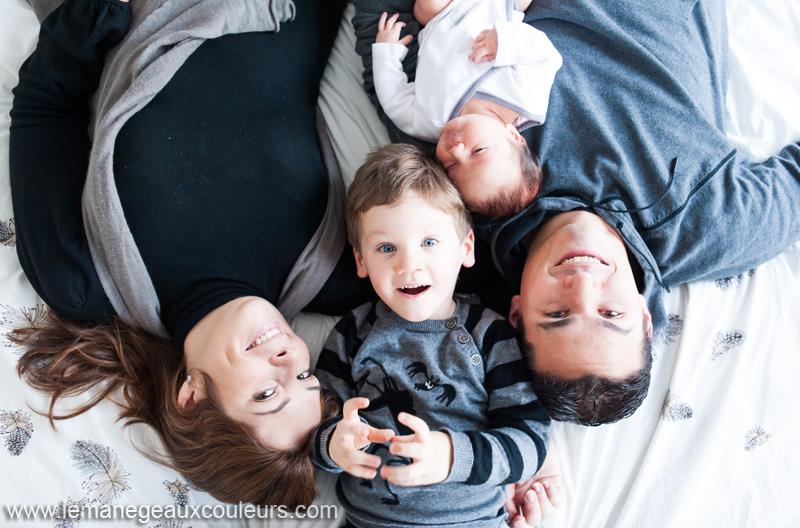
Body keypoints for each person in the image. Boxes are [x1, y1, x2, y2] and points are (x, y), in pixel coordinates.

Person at [354, 0, 800, 426]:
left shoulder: (459, 200)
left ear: (517, 314)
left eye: (556, 315)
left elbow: (398, 67)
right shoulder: (712, 226)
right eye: (611, 314)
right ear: (645, 317)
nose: (583, 283)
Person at [8, 0, 374, 508]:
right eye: (307, 378)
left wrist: (81, 27)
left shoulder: (82, 279)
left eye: (266, 394)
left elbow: (44, 105)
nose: (291, 359)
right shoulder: (340, 269)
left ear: (191, 398)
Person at [310, 143, 556, 528]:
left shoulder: (489, 335)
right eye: (386, 248)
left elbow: (530, 443)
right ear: (361, 260)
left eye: (429, 242)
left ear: (465, 248)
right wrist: (332, 445)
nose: (409, 265)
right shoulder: (352, 335)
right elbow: (312, 430)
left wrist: (450, 456)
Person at [371, 0, 562, 218]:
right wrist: (506, 42)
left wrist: (387, 54)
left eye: (451, 166)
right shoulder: (527, 100)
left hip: (444, 14)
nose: (456, 150)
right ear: (513, 135)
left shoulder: (429, 122)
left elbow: (394, 100)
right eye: (477, 151)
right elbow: (547, 57)